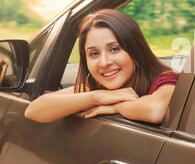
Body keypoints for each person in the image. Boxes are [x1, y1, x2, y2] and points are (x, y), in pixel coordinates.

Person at [25, 9, 179, 124]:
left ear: (135, 50)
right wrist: (97, 97)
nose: (104, 62)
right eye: (94, 54)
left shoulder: (166, 80)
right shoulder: (97, 87)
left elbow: (155, 110)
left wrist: (116, 107)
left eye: (114, 49)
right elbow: (34, 110)